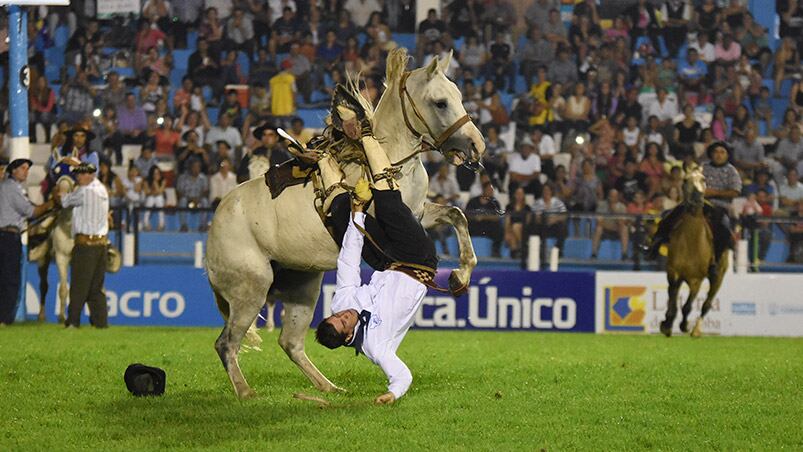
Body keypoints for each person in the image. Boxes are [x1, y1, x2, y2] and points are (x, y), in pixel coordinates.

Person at [314, 112, 440, 406]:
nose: (344, 314)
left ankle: (322, 157)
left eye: (336, 315)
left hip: (389, 263)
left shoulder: (342, 304)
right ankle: (367, 134)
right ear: (348, 338)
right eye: (344, 322)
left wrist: (358, 210)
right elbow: (402, 376)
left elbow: (348, 262)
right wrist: (391, 394)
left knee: (342, 212)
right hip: (418, 260)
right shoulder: (376, 346)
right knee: (387, 205)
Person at [646, 142, 741, 267]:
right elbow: (692, 183)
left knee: (724, 226)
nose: (718, 155)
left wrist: (713, 193)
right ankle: (656, 245)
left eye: (722, 152)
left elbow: (735, 191)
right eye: (716, 152)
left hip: (720, 206)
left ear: (727, 155)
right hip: (698, 203)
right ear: (711, 154)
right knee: (670, 215)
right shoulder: (702, 167)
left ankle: (716, 259)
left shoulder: (731, 171)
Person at [0, 159, 57, 325]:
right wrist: (51, 204)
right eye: (23, 168)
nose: (26, 172)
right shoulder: (12, 188)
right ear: (14, 171)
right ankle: (4, 318)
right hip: (9, 237)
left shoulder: (6, 187)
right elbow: (30, 211)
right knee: (10, 279)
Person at [59, 163, 110, 328]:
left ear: (90, 175)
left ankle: (73, 321)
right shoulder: (102, 189)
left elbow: (64, 202)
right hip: (101, 244)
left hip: (85, 245)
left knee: (79, 286)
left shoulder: (83, 191)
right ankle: (101, 323)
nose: (78, 177)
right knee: (96, 287)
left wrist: (61, 192)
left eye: (81, 174)